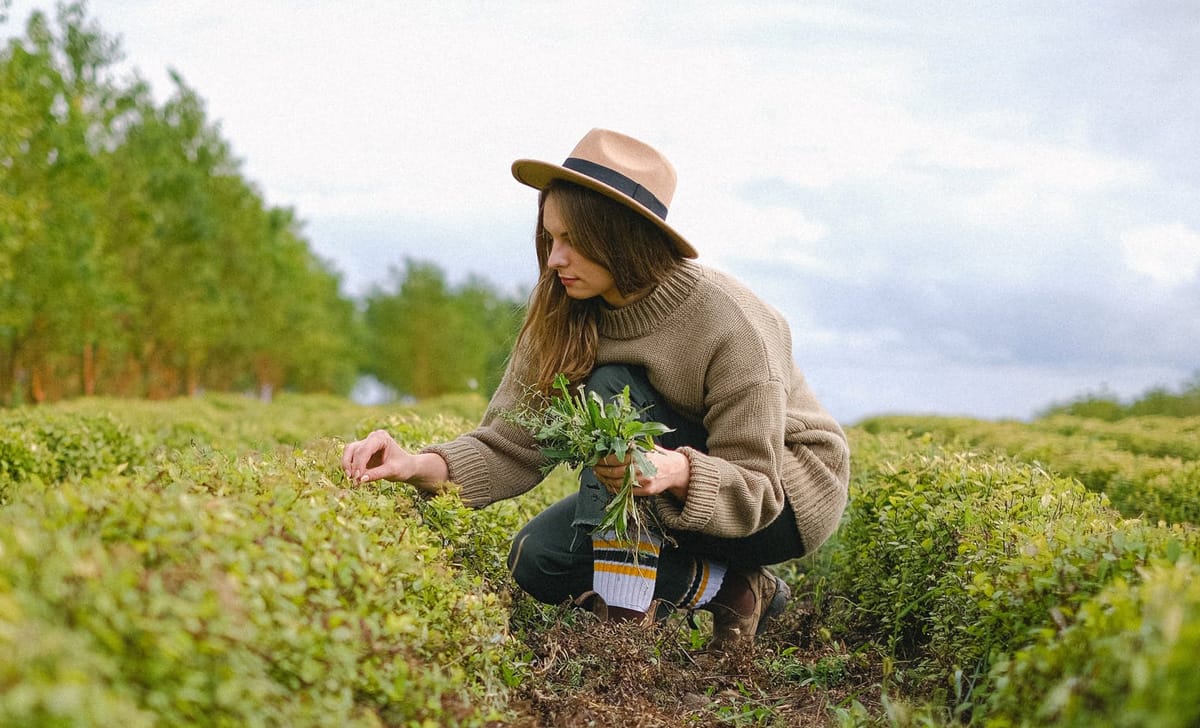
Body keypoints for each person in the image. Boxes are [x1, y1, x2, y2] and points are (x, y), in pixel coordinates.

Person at [341, 128, 850, 651]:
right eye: (550, 239)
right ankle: (738, 591)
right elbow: (511, 442)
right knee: (539, 557)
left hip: (782, 497)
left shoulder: (730, 323)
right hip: (675, 487)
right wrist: (414, 464)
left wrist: (676, 469)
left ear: (621, 238)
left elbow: (758, 489)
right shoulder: (564, 309)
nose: (555, 259)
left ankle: (618, 639)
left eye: (572, 242)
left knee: (611, 387)